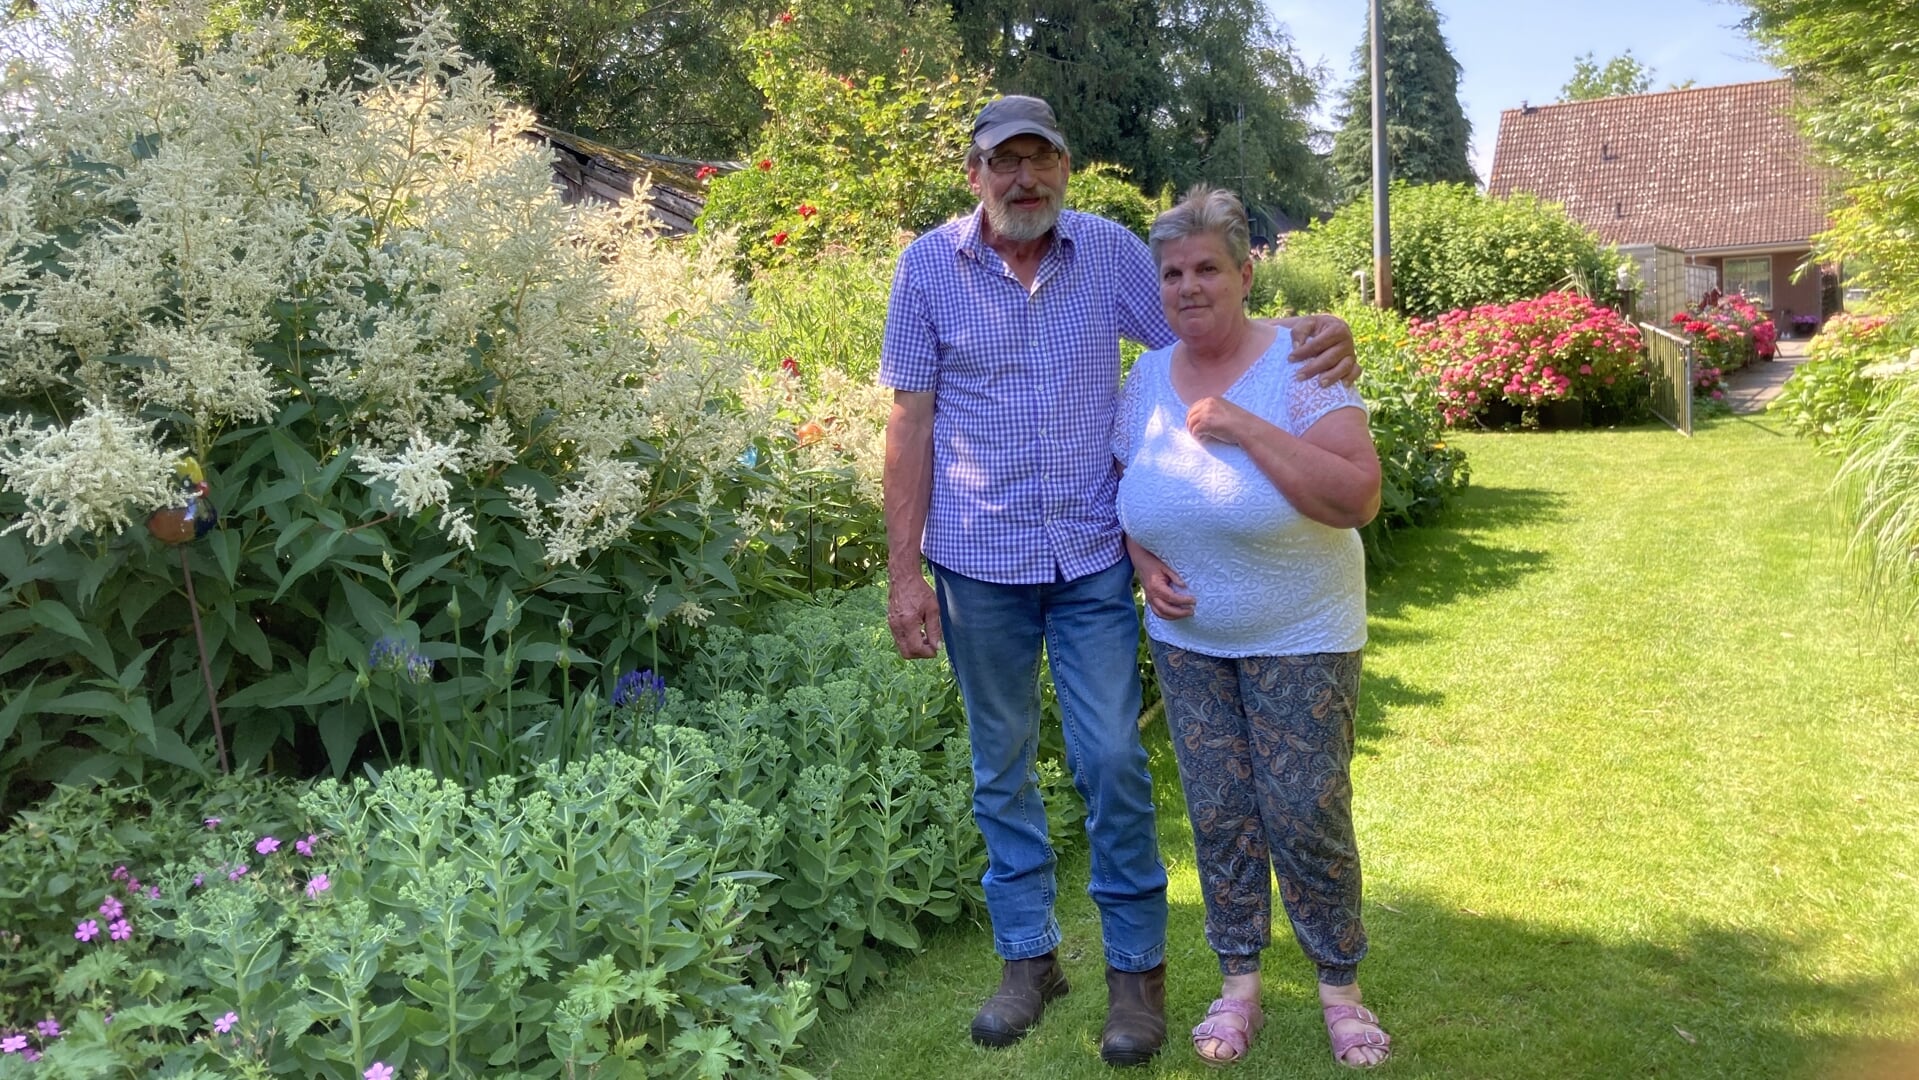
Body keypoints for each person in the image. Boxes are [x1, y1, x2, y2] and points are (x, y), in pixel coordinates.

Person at [879, 96, 1358, 1066]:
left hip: (1093, 557)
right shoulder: (926, 268)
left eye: (1039, 161)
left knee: (1110, 764)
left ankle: (1134, 978)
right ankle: (1027, 961)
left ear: (1063, 167)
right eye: (1002, 163)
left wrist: (1321, 334)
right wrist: (903, 574)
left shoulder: (1105, 254)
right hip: (978, 563)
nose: (1023, 180)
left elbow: (1209, 313)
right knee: (999, 768)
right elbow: (910, 422)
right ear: (973, 174)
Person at [1111, 184, 1390, 1068]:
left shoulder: (1300, 361)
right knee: (1221, 815)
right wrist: (1141, 563)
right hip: (1191, 644)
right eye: (1172, 273)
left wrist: (1241, 426)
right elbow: (1131, 494)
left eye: (1206, 269)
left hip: (1302, 631)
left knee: (1304, 810)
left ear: (1243, 272)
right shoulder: (1145, 377)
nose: (1188, 287)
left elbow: (1356, 496)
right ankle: (1238, 990)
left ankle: (1340, 989)